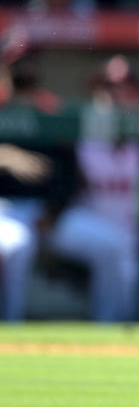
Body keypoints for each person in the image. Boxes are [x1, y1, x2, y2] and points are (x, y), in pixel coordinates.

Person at [50, 56, 139, 322]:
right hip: (84, 221)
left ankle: (117, 337)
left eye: (126, 88)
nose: (116, 95)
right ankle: (105, 328)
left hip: (131, 234)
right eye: (108, 88)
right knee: (111, 247)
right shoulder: (79, 132)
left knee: (131, 281)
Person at [0, 35, 73, 320]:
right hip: (5, 207)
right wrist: (5, 155)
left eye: (31, 60)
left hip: (46, 211)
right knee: (17, 246)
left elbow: (69, 170)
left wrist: (55, 210)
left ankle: (116, 332)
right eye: (20, 61)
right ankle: (10, 330)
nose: (27, 67)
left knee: (111, 248)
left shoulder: (51, 109)